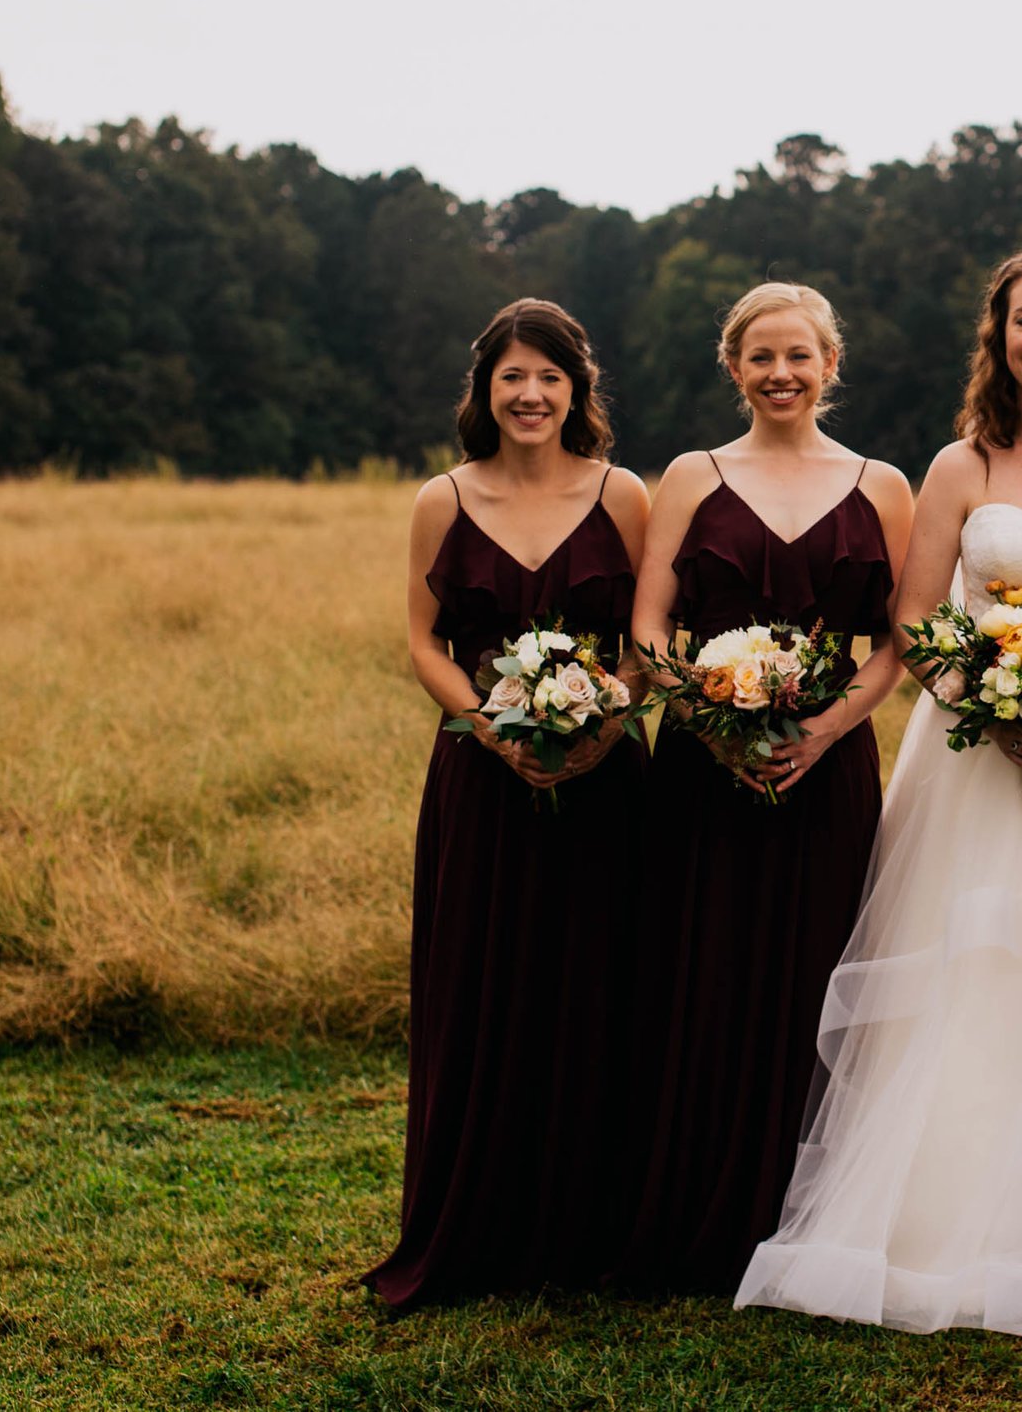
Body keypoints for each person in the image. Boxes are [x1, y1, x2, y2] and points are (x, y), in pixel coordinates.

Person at [735, 244, 1022, 1334]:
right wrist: (999, 710)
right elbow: (913, 622)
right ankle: (946, 1225)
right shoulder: (960, 464)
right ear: (997, 337)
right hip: (975, 763)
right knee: (980, 971)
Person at [618, 283, 913, 1291]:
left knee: (817, 972)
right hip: (702, 775)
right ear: (732, 366)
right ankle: (692, 1202)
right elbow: (648, 627)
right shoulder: (692, 478)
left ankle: (809, 1214)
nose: (780, 374)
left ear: (831, 364)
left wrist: (825, 730)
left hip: (827, 771)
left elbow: (898, 643)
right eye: (760, 357)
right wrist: (706, 719)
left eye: (800, 355)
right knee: (701, 971)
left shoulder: (883, 485)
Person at [368, 298, 649, 1309]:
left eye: (550, 377)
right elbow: (423, 643)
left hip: (609, 781)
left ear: (578, 390)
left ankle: (591, 1231)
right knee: (482, 987)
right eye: (512, 377)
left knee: (600, 987)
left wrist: (602, 725)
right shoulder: (442, 498)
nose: (531, 395)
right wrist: (493, 727)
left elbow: (641, 648)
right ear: (484, 389)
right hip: (480, 780)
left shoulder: (625, 496)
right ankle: (477, 1225)